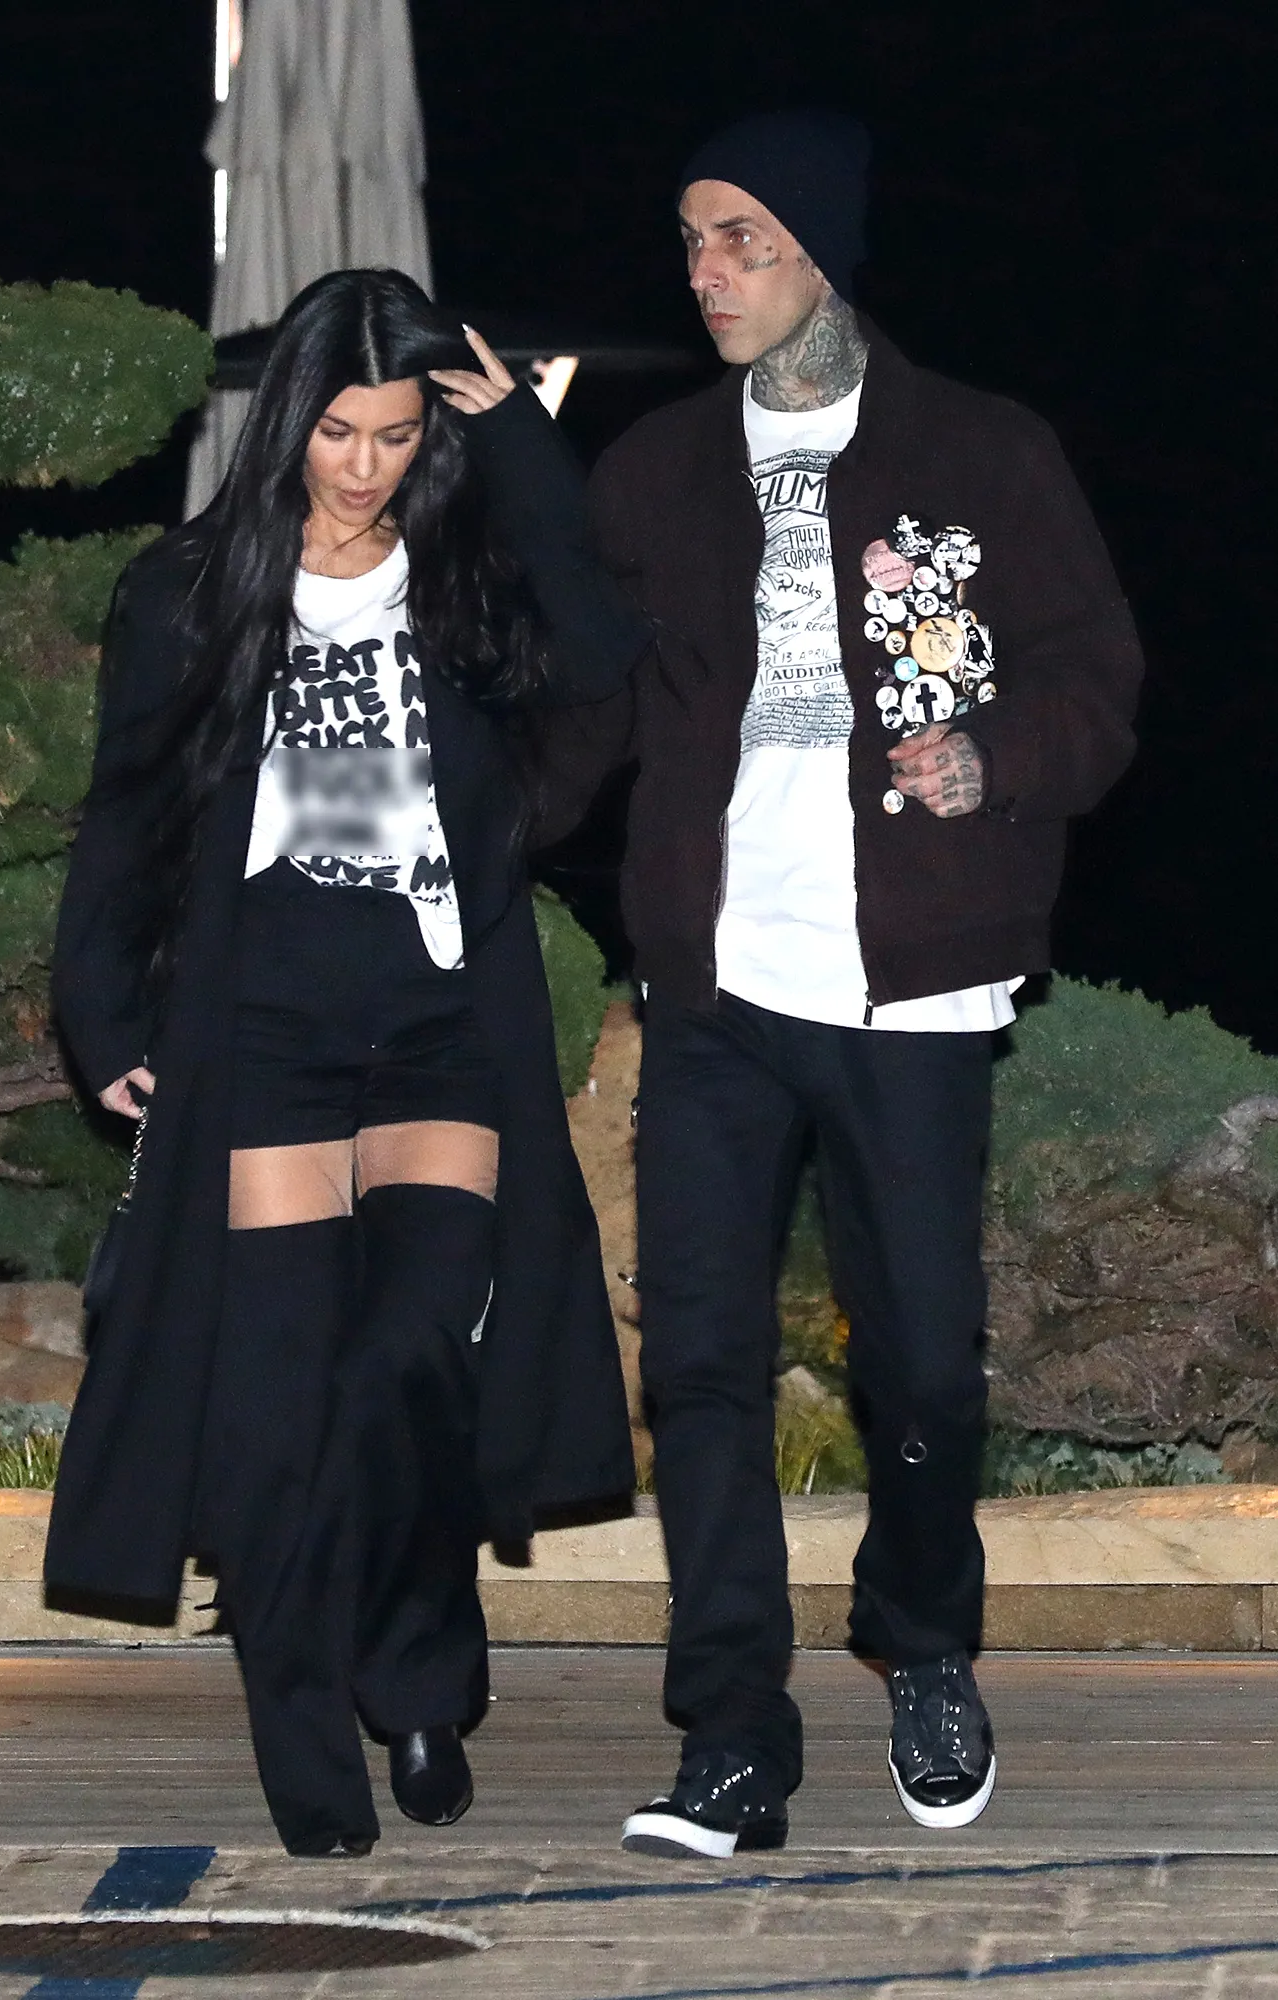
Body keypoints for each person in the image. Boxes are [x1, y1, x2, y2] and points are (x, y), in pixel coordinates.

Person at [544, 110, 1144, 1852]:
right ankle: (734, 1733)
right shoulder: (656, 468)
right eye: (690, 240)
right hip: (718, 985)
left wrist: (996, 757)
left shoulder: (983, 448)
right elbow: (587, 707)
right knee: (702, 1363)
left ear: (821, 249)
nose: (706, 271)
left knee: (929, 1368)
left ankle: (924, 1638)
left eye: (740, 238)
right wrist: (448, 831)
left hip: (915, 989)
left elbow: (1094, 679)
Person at [46, 269, 645, 1857]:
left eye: (394, 435)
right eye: (337, 432)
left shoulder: (467, 576)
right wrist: (102, 1017)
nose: (365, 465)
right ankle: (305, 1735)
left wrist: (516, 443)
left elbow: (602, 656)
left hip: (440, 1022)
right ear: (287, 424)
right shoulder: (191, 591)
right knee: (275, 1409)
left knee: (406, 1362)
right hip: (265, 1032)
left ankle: (420, 1673)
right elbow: (127, 811)